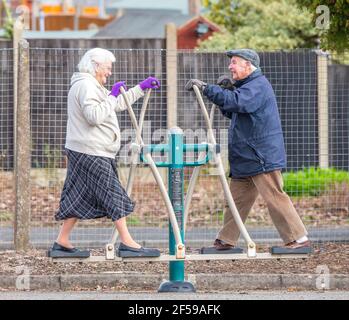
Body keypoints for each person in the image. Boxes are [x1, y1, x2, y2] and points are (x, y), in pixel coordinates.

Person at [185, 49, 311, 251]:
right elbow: (234, 110)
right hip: (245, 157)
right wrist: (225, 91)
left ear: (248, 65)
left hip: (260, 156)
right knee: (236, 201)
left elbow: (238, 102)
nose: (230, 66)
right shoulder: (247, 87)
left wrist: (208, 89)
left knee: (274, 196)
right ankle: (226, 239)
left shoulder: (258, 86)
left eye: (234, 62)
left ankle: (299, 239)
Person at [48, 48, 161, 258]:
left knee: (77, 194)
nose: (109, 73)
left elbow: (115, 105)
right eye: (107, 68)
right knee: (112, 192)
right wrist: (112, 95)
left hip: (87, 149)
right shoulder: (85, 85)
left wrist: (140, 88)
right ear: (95, 65)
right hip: (91, 151)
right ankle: (127, 243)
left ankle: (61, 242)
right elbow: (94, 116)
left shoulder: (91, 85)